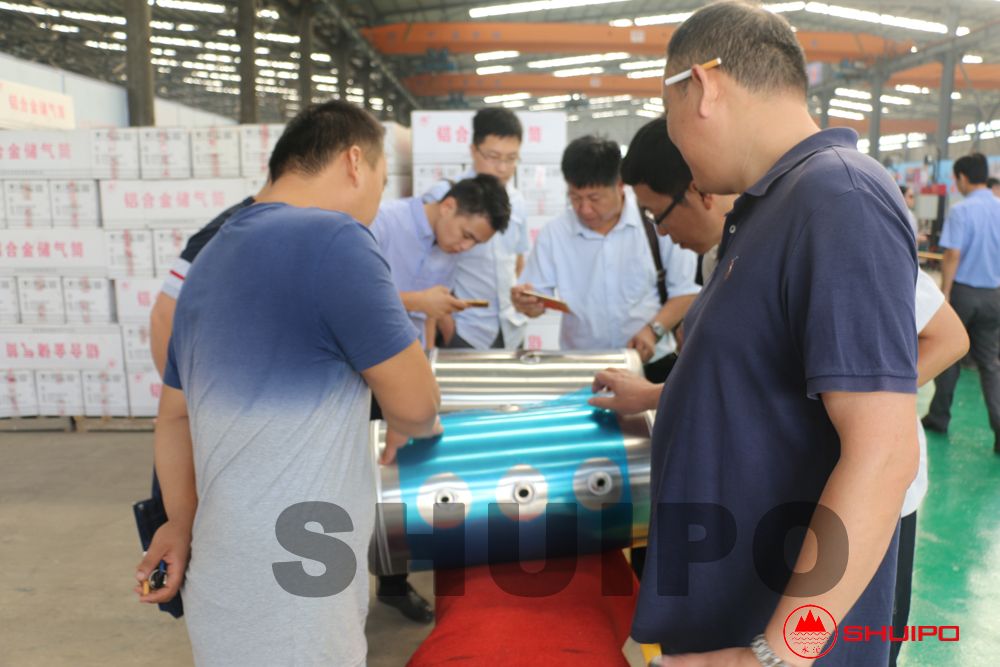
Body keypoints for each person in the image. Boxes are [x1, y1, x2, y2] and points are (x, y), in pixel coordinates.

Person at [622, 3, 920, 664]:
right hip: (725, 616)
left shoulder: (839, 198)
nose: (673, 140)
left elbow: (885, 453)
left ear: (702, 87)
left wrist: (779, 651)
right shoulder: (770, 208)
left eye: (667, 112)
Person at [133, 100, 442, 666]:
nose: (376, 204)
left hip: (219, 570)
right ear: (355, 162)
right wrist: (406, 407)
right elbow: (418, 407)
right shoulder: (338, 240)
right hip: (304, 573)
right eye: (380, 183)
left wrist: (178, 523)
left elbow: (173, 417)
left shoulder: (209, 257)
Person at [512, 135, 700, 383]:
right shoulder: (554, 234)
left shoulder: (655, 223)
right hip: (582, 366)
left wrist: (653, 330)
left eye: (594, 198)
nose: (584, 209)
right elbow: (537, 302)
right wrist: (528, 303)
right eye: (575, 198)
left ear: (620, 185)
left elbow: (686, 292)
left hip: (651, 363)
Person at [424, 108, 530, 349]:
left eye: (511, 158)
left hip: (511, 328)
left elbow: (518, 260)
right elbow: (423, 265)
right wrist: (448, 328)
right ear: (473, 150)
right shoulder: (446, 197)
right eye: (493, 156)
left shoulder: (518, 201)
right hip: (466, 329)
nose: (502, 168)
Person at [372, 174, 511, 348]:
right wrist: (419, 301)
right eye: (466, 235)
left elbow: (430, 315)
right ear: (448, 206)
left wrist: (428, 355)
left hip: (410, 351)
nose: (466, 247)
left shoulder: (448, 246)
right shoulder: (383, 221)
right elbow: (354, 293)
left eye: (476, 243)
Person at [923, 153, 1000, 454]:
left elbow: (953, 254)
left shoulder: (961, 210)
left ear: (963, 178)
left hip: (965, 292)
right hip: (994, 295)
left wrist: (946, 290)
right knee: (990, 364)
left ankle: (939, 417)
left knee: (950, 354)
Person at [621, 116, 736, 284]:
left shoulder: (770, 246)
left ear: (701, 192)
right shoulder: (713, 262)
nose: (661, 231)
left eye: (658, 215)